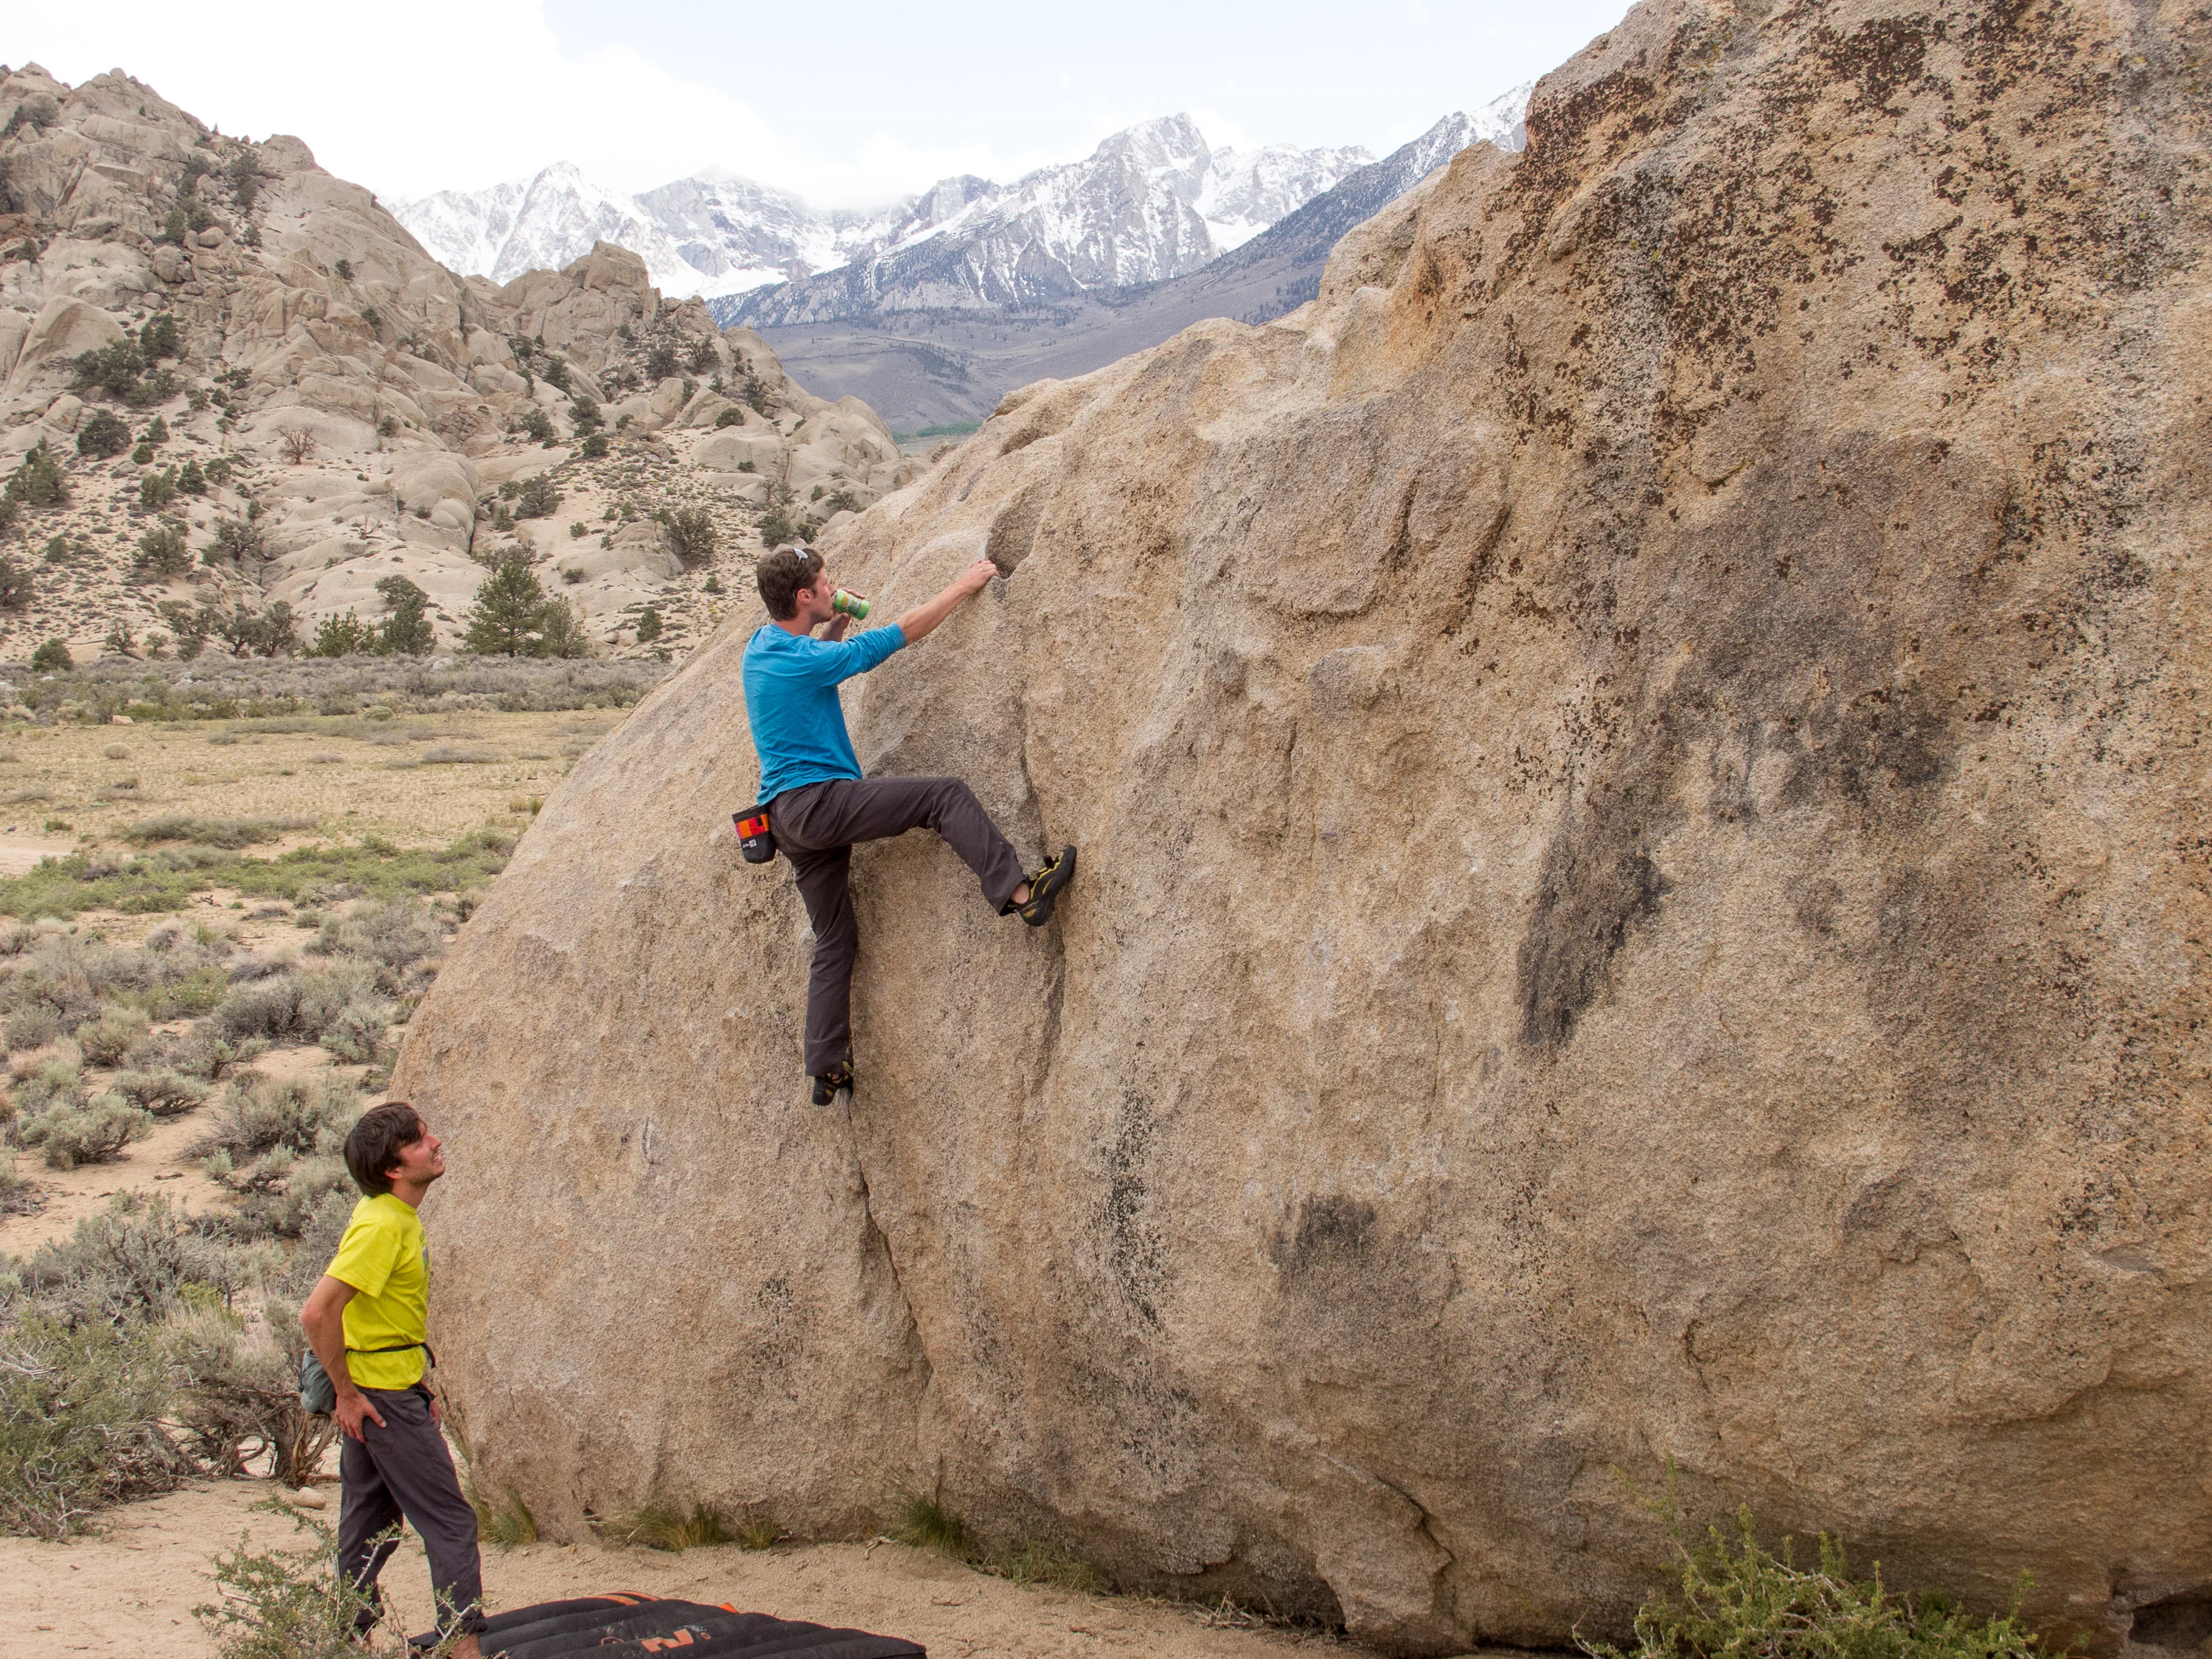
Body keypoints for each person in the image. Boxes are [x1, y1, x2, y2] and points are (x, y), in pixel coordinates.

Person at [743, 543, 1076, 1105]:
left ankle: (827, 1068)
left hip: (784, 821)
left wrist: (835, 619)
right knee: (941, 797)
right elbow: (893, 638)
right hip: (818, 803)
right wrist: (962, 587)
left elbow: (810, 667)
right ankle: (1022, 894)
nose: (832, 587)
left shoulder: (764, 647)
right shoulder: (806, 660)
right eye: (825, 585)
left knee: (834, 938)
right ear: (803, 596)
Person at [300, 1102, 484, 1656]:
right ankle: (464, 1649)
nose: (436, 1143)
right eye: (421, 1140)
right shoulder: (383, 1224)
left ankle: (345, 1634)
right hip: (378, 1397)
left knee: (369, 1519)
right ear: (393, 1169)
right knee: (451, 1520)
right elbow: (318, 1313)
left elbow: (377, 1321)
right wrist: (350, 1394)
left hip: (387, 1389)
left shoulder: (392, 1216)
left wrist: (414, 1387)